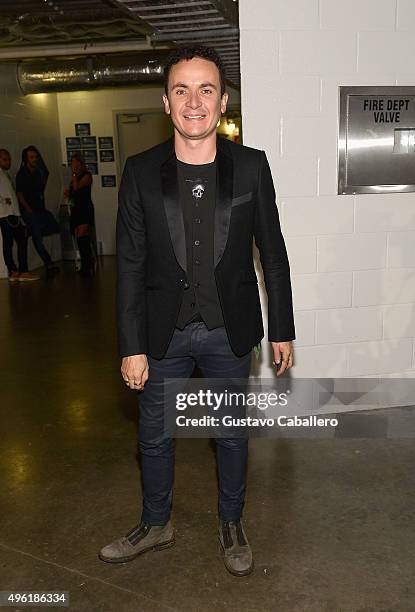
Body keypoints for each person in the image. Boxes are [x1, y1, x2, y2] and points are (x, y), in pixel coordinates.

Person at [99, 46, 295, 577]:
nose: (194, 101)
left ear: (223, 100)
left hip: (229, 331)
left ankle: (231, 523)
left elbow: (272, 252)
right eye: (181, 90)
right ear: (165, 102)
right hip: (163, 333)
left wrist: (282, 328)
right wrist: (131, 344)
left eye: (205, 89)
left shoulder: (252, 166)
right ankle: (156, 522)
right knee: (155, 438)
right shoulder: (141, 173)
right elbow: (132, 268)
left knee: (230, 433)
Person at [16, 146, 59, 277]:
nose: (34, 159)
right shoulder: (22, 173)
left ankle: (31, 231)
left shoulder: (37, 173)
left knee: (50, 228)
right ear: (26, 159)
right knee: (37, 238)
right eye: (32, 157)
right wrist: (28, 209)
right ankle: (48, 262)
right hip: (30, 211)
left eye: (35, 157)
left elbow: (41, 187)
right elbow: (19, 193)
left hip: (40, 209)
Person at [0, 149, 39, 282]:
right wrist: (3, 200)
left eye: (9, 159)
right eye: (5, 159)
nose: (8, 162)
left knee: (18, 241)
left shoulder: (5, 174)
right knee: (11, 242)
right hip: (5, 214)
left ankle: (18, 271)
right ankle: (16, 270)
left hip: (13, 213)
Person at [65, 154, 95, 277]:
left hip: (84, 209)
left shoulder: (87, 176)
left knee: (83, 236)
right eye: (72, 163)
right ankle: (85, 264)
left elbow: (78, 189)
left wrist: (74, 175)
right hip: (76, 209)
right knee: (78, 237)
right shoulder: (74, 179)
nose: (73, 165)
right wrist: (68, 194)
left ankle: (88, 265)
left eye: (75, 163)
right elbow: (73, 194)